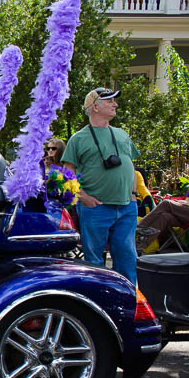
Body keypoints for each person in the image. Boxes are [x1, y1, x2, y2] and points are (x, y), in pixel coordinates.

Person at [61, 88, 140, 284]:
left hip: (126, 207)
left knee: (127, 259)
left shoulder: (121, 134)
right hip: (96, 208)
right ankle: (97, 305)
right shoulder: (78, 139)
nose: (116, 104)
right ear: (95, 107)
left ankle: (129, 304)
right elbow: (66, 174)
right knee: (94, 262)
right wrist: (83, 197)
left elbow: (131, 165)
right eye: (110, 101)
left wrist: (133, 194)